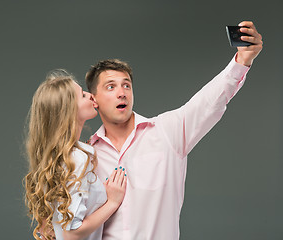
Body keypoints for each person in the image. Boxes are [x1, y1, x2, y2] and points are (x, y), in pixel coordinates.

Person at [84, 21, 263, 240]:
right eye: (111, 87)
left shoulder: (167, 131)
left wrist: (242, 62)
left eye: (127, 85)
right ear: (94, 99)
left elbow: (208, 102)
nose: (122, 93)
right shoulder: (86, 156)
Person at [23, 69, 127, 240]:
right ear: (69, 110)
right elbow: (71, 234)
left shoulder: (59, 157)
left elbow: (48, 229)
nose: (91, 95)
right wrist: (112, 203)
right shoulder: (76, 159)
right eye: (83, 95)